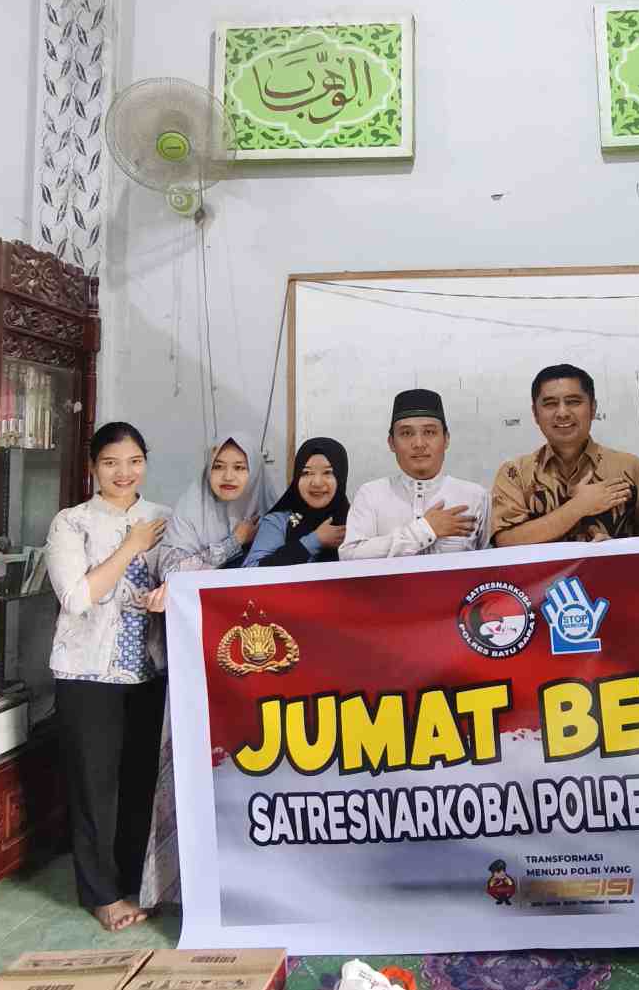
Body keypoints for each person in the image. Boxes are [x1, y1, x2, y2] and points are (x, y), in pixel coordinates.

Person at [139, 431, 275, 910]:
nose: (228, 476)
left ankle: (261, 885)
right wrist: (234, 542)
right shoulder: (187, 513)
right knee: (197, 766)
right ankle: (187, 890)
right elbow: (174, 572)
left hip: (260, 669)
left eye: (239, 466)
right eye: (219, 466)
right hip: (199, 663)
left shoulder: (276, 514)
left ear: (254, 472)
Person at [46, 420, 168, 934]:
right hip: (88, 674)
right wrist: (131, 546)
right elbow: (76, 598)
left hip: (150, 672)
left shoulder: (163, 517)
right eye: (112, 462)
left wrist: (174, 588)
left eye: (135, 461)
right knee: (94, 788)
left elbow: (186, 574)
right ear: (93, 467)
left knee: (141, 784)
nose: (124, 472)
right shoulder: (71, 523)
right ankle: (101, 895)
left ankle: (135, 883)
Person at [490, 364, 639, 545]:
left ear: (593, 408)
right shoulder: (516, 474)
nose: (562, 413)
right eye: (550, 404)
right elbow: (505, 541)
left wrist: (616, 549)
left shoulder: (631, 468)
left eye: (573, 402)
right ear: (535, 414)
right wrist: (578, 507)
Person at [341, 388, 488, 560]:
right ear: (391, 443)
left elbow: (492, 563)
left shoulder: (475, 496)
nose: (419, 444)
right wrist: (425, 530)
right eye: (406, 433)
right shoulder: (371, 495)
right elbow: (350, 556)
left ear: (446, 439)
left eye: (429, 432)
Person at [235, 438, 349, 567]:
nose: (316, 482)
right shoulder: (279, 522)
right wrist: (314, 541)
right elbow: (252, 569)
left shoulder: (356, 520)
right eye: (306, 473)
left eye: (328, 472)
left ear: (341, 477)